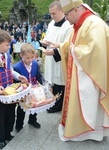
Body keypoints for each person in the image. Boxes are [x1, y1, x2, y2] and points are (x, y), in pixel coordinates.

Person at [49, 0, 109, 141]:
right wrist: (60, 47)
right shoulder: (81, 23)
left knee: (90, 103)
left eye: (67, 14)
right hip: (81, 72)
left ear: (76, 9)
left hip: (91, 75)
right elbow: (73, 43)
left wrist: (71, 49)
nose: (66, 18)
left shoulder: (94, 23)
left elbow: (94, 51)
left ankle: (92, 132)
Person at [41, 0, 72, 113]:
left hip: (60, 59)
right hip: (50, 57)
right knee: (52, 80)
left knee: (60, 81)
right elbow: (48, 37)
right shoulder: (50, 24)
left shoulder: (68, 26)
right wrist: (44, 43)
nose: (52, 16)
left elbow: (68, 45)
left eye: (54, 13)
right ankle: (53, 101)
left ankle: (58, 105)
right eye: (51, 14)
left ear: (62, 11)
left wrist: (55, 51)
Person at [14, 43, 44, 132]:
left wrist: (43, 84)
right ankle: (19, 124)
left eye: (32, 57)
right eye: (27, 58)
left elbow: (39, 75)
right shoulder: (17, 67)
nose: (30, 60)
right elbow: (15, 82)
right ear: (21, 56)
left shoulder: (35, 64)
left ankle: (32, 120)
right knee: (21, 109)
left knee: (35, 105)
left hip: (34, 88)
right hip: (23, 91)